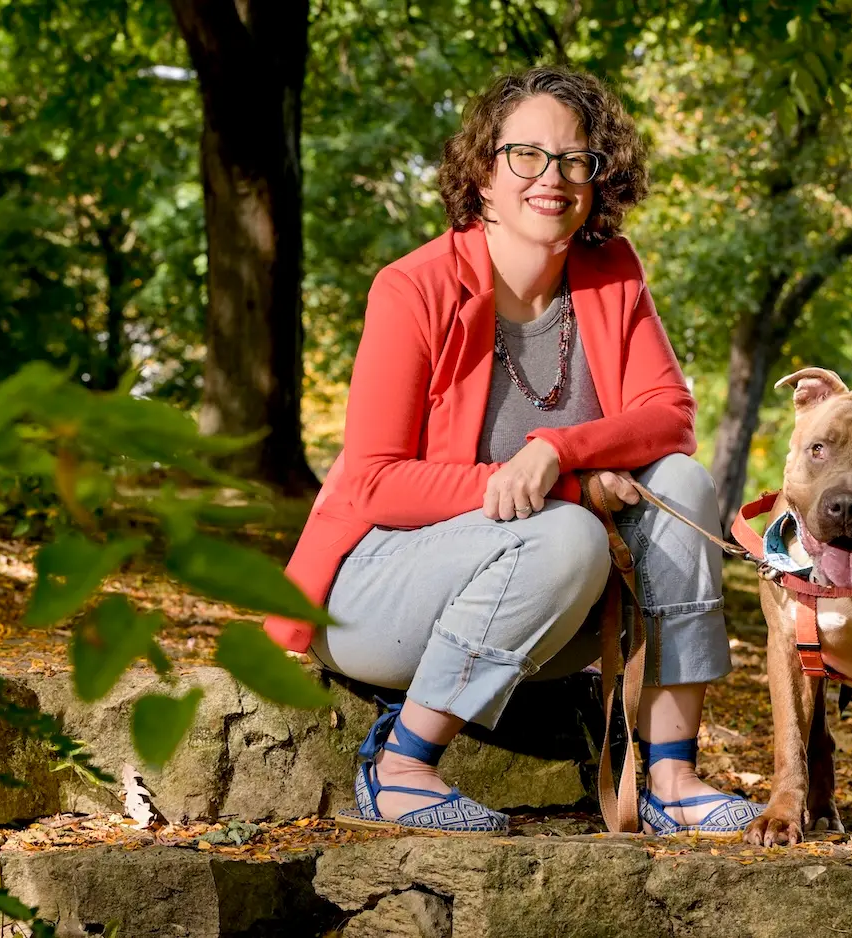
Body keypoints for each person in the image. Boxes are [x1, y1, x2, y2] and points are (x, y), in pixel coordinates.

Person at [264, 65, 760, 838]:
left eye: (574, 159)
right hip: (379, 592)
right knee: (568, 533)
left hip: (542, 608)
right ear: (482, 175)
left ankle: (670, 778)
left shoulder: (612, 272)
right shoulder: (413, 287)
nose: (551, 177)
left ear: (598, 180)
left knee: (683, 482)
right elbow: (375, 482)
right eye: (525, 155)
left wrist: (559, 449)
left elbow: (671, 417)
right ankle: (400, 769)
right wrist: (567, 489)